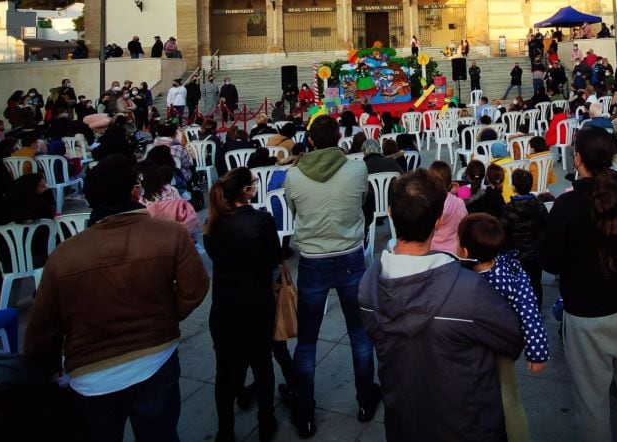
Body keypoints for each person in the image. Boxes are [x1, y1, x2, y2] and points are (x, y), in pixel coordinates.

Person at [24, 154, 209, 442]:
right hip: (154, 358)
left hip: (89, 373)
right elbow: (194, 289)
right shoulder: (170, 234)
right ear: (135, 192)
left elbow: (43, 327)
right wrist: (164, 317)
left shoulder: (64, 254)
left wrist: (45, 370)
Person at [358, 169, 523, 441]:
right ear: (438, 222)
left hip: (404, 422)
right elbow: (512, 338)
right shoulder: (469, 291)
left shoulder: (368, 285)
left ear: (390, 213)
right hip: (466, 424)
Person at [538, 126, 617, 442]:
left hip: (586, 312)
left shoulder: (567, 205)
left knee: (591, 397)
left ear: (578, 159)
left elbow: (550, 262)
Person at [283, 115, 380, 437]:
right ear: (339, 137)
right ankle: (365, 399)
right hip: (349, 255)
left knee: (307, 342)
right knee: (359, 334)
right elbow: (363, 203)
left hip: (314, 260)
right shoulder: (356, 169)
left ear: (310, 140)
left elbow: (294, 212)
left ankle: (306, 413)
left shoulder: (293, 176)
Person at [204, 167, 281, 442]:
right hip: (256, 303)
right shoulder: (261, 221)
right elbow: (274, 258)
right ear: (246, 191)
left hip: (224, 305)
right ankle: (265, 421)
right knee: (262, 365)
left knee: (225, 371)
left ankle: (226, 430)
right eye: (253, 184)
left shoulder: (213, 224)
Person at [458, 214, 549, 442]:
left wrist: (537, 352)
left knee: (503, 396)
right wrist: (537, 352)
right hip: (501, 346)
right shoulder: (512, 271)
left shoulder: (462, 277)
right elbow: (530, 309)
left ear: (465, 251)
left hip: (480, 349)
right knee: (505, 393)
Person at [502, 168, 549, 307]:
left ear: (513, 187)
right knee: (535, 283)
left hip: (515, 254)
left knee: (517, 284)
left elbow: (503, 231)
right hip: (535, 253)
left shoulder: (508, 209)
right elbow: (546, 226)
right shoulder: (539, 206)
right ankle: (536, 309)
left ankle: (519, 309)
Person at [426, 160, 467, 254]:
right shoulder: (458, 203)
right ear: (450, 182)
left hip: (432, 252)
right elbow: (464, 224)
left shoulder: (427, 205)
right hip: (454, 252)